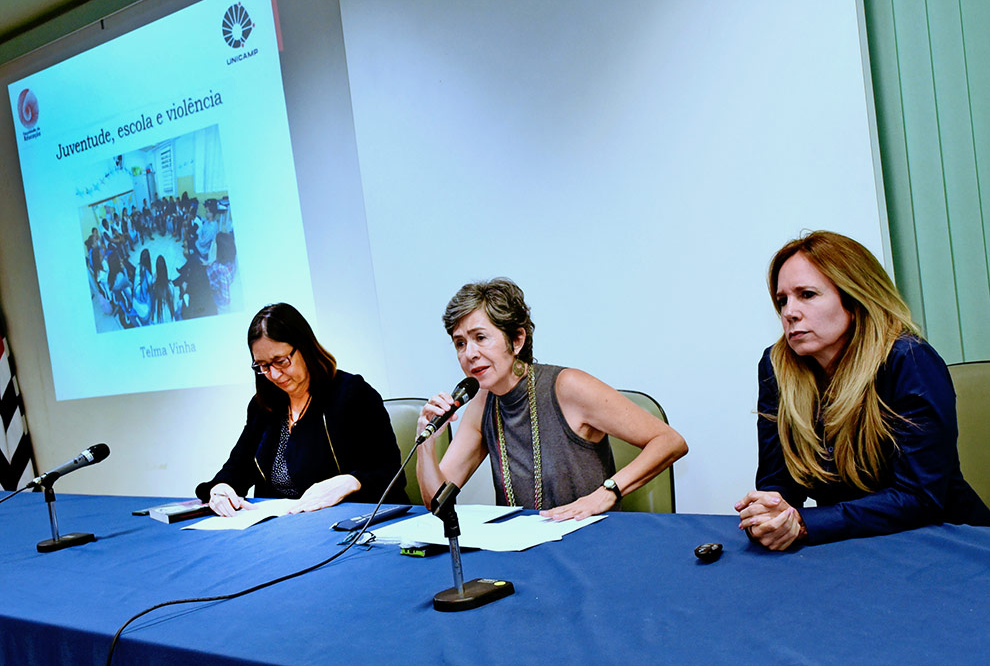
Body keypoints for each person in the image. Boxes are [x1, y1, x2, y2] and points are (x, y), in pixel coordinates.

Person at [735, 231, 990, 550]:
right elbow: (778, 481)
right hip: (848, 544)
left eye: (807, 294)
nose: (790, 312)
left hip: (945, 541)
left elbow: (920, 497)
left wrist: (804, 523)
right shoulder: (776, 367)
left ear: (855, 299)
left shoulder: (909, 360)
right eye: (782, 300)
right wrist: (771, 514)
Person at [416, 278, 687, 521]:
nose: (469, 354)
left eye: (480, 338)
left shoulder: (568, 386)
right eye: (460, 343)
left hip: (589, 541)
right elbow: (437, 502)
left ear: (517, 339)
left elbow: (670, 442)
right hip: (522, 552)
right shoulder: (481, 402)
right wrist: (426, 445)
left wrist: (608, 492)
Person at [195, 303, 408, 515]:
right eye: (263, 366)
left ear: (304, 347)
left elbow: (389, 472)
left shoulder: (351, 394)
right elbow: (238, 466)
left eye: (281, 361)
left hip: (347, 522)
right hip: (284, 527)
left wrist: (351, 482)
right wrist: (221, 488)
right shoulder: (263, 406)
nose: (275, 375)